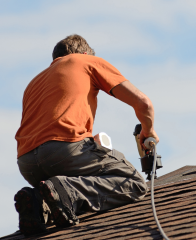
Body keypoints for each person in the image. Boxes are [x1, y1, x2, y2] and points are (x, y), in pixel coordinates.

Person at [13, 34, 159, 235]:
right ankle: (68, 191)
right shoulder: (86, 61)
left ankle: (38, 204)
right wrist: (148, 130)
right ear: (84, 53)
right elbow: (144, 104)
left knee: (57, 193)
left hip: (27, 163)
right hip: (64, 151)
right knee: (133, 182)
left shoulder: (34, 83)